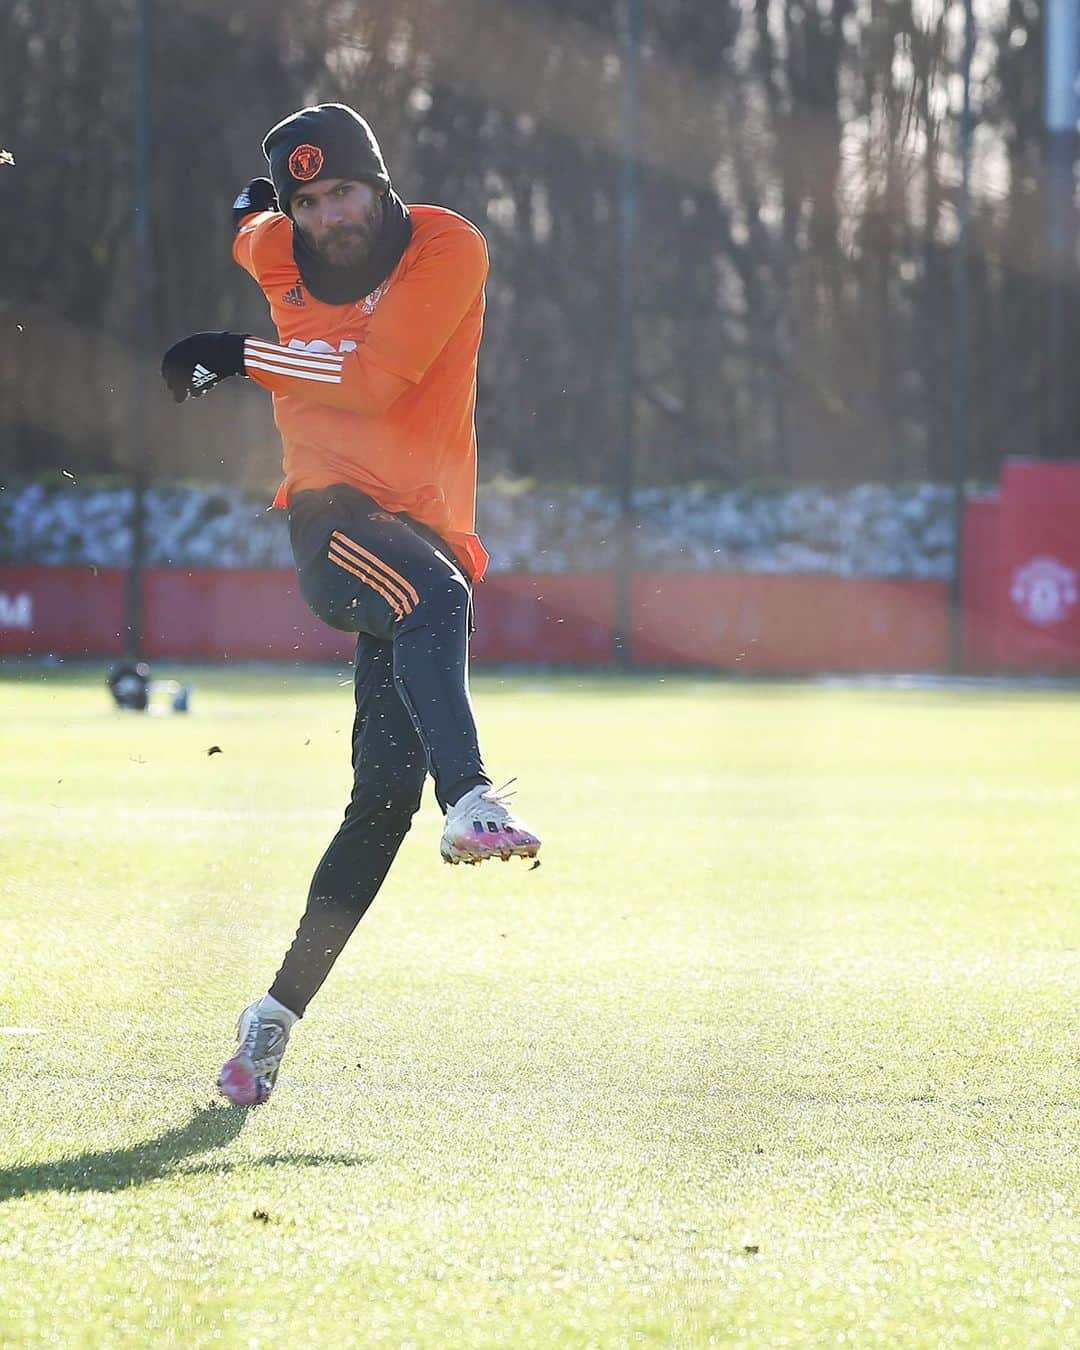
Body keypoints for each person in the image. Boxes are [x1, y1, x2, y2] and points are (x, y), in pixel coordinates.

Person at [161, 103, 540, 1107]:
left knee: (379, 804)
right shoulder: (274, 243)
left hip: (426, 532)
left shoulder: (447, 245)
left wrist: (240, 355)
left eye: (346, 191)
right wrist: (254, 208)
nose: (330, 215)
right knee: (435, 600)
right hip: (332, 522)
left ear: (382, 184)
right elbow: (253, 225)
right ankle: (477, 798)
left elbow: (372, 384)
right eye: (309, 200)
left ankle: (269, 1024)